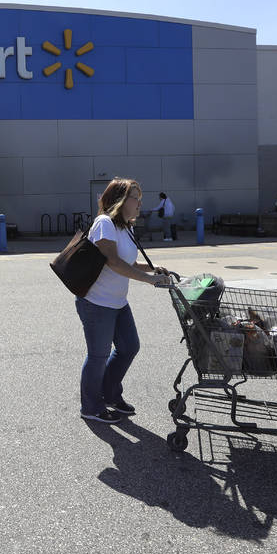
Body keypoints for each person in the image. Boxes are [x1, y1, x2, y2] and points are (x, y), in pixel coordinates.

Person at [76, 178, 173, 424]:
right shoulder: (104, 223)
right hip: (96, 302)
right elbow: (112, 261)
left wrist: (151, 269)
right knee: (98, 355)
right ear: (120, 200)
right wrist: (150, 281)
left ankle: (109, 394)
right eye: (135, 198)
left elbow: (126, 262)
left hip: (117, 302)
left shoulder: (126, 227)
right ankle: (90, 406)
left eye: (140, 199)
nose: (140, 204)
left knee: (129, 347)